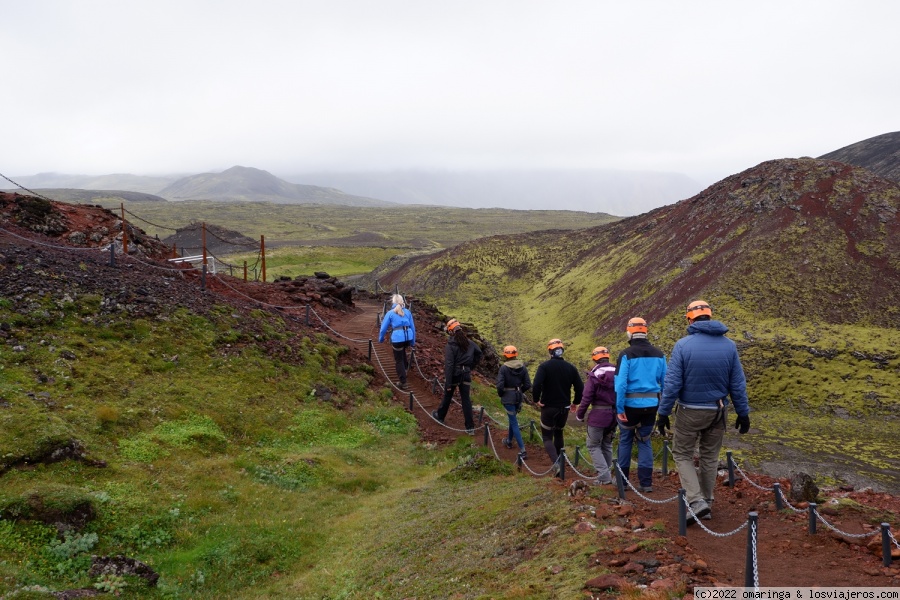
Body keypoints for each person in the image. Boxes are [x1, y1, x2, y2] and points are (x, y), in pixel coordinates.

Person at [656, 300, 751, 524]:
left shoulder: (683, 345)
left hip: (689, 411)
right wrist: (743, 412)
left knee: (682, 454)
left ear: (690, 319)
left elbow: (672, 384)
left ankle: (696, 501)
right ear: (710, 316)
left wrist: (663, 413)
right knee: (709, 457)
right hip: (718, 410)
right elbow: (737, 383)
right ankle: (706, 504)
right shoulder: (729, 346)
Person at [614, 317, 667, 493]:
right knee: (645, 441)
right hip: (652, 405)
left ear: (629, 332)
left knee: (626, 440)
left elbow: (620, 384)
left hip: (629, 406)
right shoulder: (660, 354)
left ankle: (622, 481)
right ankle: (646, 483)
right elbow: (666, 382)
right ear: (645, 332)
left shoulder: (625, 354)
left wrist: (619, 408)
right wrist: (664, 408)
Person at [532, 339, 584, 475]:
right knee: (559, 432)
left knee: (547, 437)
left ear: (550, 351)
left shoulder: (544, 367)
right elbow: (580, 387)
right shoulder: (571, 367)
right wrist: (575, 402)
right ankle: (560, 462)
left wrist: (536, 399)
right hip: (564, 408)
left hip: (548, 407)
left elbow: (536, 384)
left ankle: (556, 465)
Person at [576, 346, 617, 485]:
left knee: (593, 445)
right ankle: (608, 476)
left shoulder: (594, 376)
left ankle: (604, 478)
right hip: (614, 415)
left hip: (598, 416)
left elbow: (586, 397)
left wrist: (580, 415)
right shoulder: (618, 372)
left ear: (594, 358)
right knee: (607, 444)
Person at [432, 318, 482, 433]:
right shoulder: (470, 343)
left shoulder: (451, 345)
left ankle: (440, 416)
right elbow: (479, 353)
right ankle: (470, 427)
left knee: (448, 396)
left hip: (455, 375)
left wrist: (448, 383)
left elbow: (449, 365)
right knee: (466, 400)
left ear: (450, 331)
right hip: (466, 374)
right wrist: (470, 367)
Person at [496, 345, 531, 460]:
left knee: (514, 422)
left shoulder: (503, 368)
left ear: (506, 355)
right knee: (513, 419)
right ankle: (509, 441)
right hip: (518, 397)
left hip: (508, 398)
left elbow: (500, 386)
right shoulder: (523, 367)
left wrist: (502, 394)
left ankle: (523, 450)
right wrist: (520, 392)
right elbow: (527, 384)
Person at [378, 294, 416, 390]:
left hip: (398, 339)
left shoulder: (390, 313)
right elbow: (413, 327)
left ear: (393, 302)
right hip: (408, 337)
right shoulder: (407, 312)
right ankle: (405, 368)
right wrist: (412, 341)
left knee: (398, 359)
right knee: (402, 351)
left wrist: (381, 338)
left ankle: (403, 382)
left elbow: (383, 328)